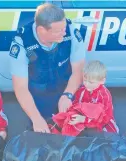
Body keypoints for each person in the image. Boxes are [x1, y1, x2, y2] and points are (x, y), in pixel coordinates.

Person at [9, 3, 85, 133]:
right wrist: (36, 118)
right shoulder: (21, 42)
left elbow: (78, 71)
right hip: (39, 95)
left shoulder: (72, 32)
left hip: (67, 89)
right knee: (41, 133)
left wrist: (68, 95)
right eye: (58, 31)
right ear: (41, 30)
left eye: (64, 28)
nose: (64, 33)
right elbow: (20, 88)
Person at [55, 60, 119, 136]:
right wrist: (72, 115)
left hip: (101, 121)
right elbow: (77, 105)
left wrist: (83, 119)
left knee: (104, 137)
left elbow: (104, 118)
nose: (87, 84)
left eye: (91, 82)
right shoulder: (81, 90)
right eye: (85, 80)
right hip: (84, 117)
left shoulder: (104, 95)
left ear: (102, 81)